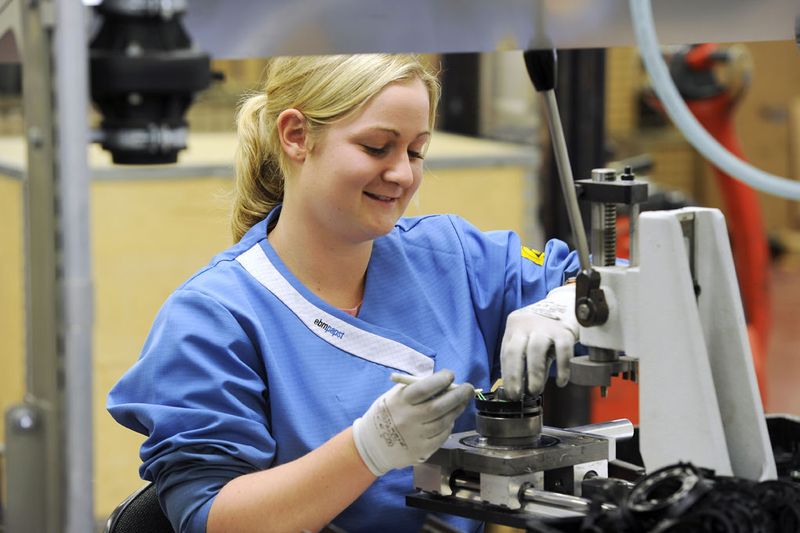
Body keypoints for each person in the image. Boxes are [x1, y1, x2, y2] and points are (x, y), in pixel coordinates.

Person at [108, 53, 581, 533]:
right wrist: (368, 448)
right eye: (377, 148)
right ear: (296, 136)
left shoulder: (455, 258)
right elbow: (213, 518)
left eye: (416, 152)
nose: (401, 174)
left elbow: (610, 286)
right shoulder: (216, 317)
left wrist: (562, 306)